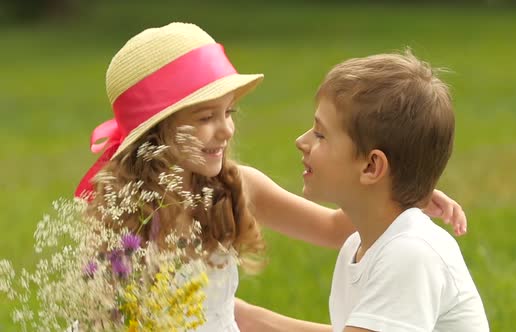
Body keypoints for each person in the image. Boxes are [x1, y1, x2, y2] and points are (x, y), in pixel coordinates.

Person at [76, 22, 468, 331]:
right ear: (156, 132)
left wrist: (404, 192)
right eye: (206, 117)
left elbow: (334, 228)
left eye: (228, 113)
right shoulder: (124, 215)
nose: (226, 130)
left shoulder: (236, 186)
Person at [235, 51, 488, 331]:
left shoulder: (411, 253)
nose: (301, 141)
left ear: (371, 166)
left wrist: (248, 320)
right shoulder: (360, 245)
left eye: (320, 134)